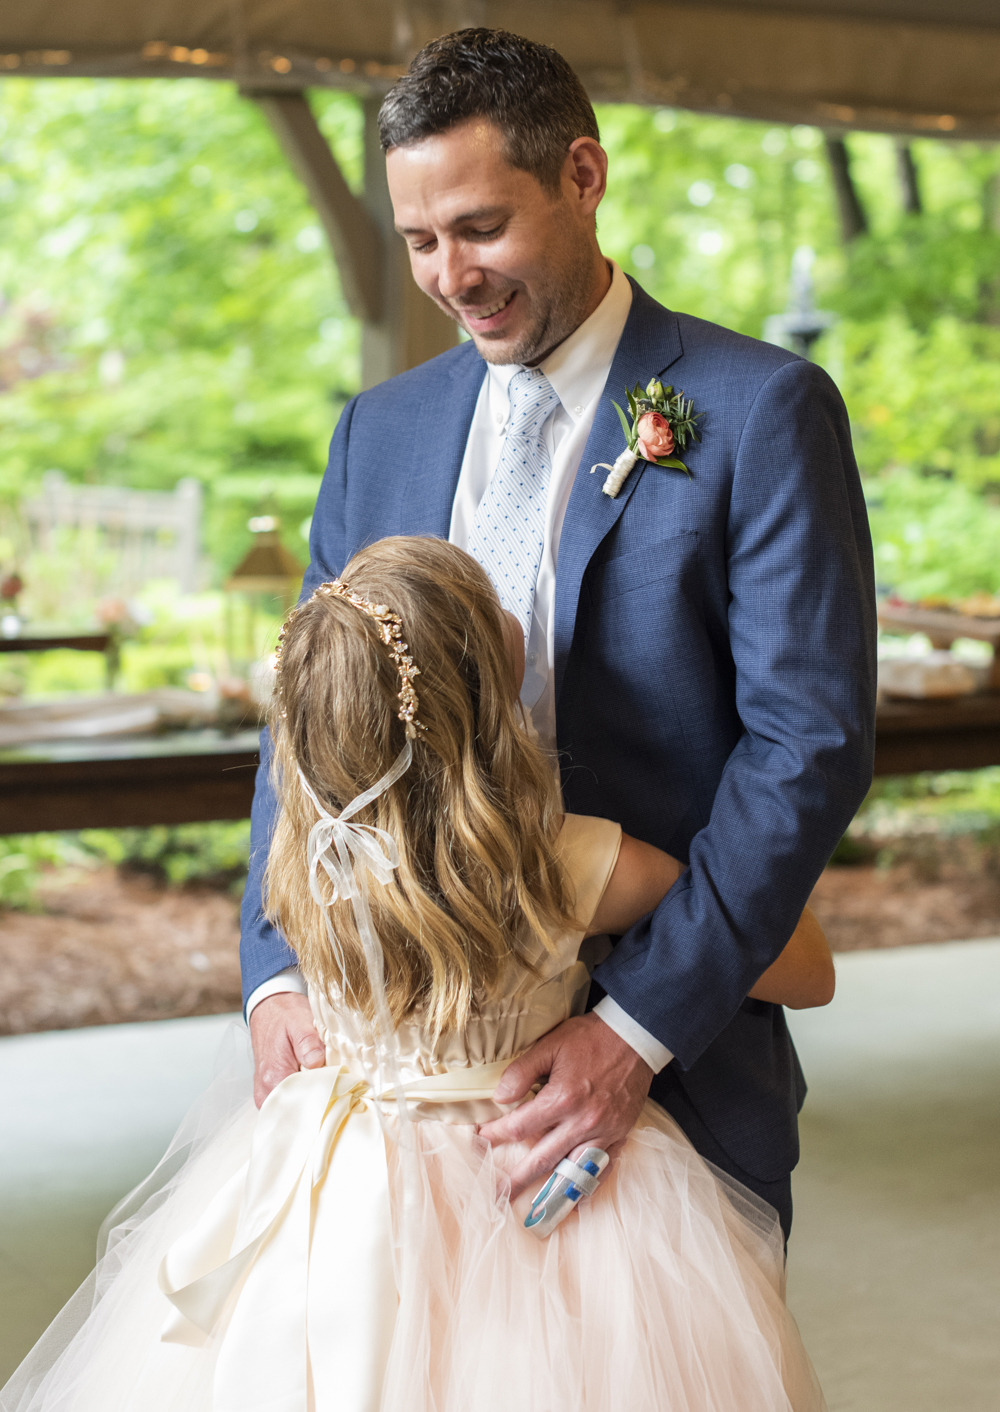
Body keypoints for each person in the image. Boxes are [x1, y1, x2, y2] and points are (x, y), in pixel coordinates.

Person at [243, 28, 876, 1237]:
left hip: (673, 1058)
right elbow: (309, 715)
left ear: (582, 177)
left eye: (481, 229)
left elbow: (808, 743)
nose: (449, 276)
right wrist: (276, 969)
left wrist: (632, 1030)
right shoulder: (376, 432)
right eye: (419, 241)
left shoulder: (759, 411)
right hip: (402, 1077)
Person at [2, 537, 833, 1412]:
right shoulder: (562, 860)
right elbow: (805, 967)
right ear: (482, 690)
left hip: (336, 1185)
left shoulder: (301, 858)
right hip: (526, 1172)